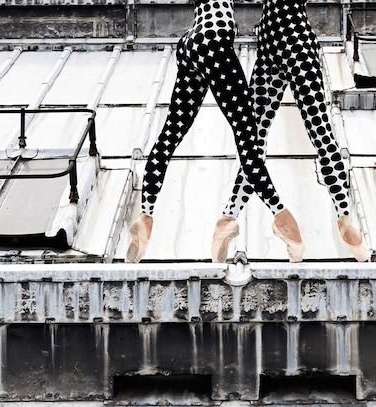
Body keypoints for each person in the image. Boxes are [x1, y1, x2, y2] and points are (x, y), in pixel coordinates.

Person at [126, 0, 304, 263]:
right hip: (215, 39)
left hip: (190, 45)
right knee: (248, 140)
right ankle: (281, 217)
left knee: (169, 136)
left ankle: (146, 215)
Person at [210, 0, 370, 262]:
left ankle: (229, 216)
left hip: (270, 38)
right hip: (297, 38)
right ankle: (344, 216)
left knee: (254, 141)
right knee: (322, 133)